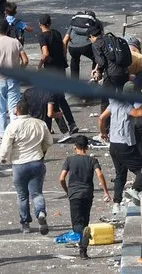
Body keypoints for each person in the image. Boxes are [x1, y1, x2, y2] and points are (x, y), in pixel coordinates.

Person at [0, 100, 53, 235]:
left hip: (19, 164)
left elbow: (5, 147)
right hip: (37, 161)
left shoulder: (12, 126)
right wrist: (41, 150)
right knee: (37, 193)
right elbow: (49, 142)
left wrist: (3, 158)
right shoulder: (40, 123)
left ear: (17, 110)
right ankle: (40, 212)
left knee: (22, 195)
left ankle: (25, 224)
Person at [59, 135, 111, 259]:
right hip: (87, 194)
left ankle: (83, 239)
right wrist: (105, 191)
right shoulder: (92, 161)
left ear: (74, 147)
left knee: (77, 225)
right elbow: (100, 175)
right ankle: (83, 252)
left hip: (74, 194)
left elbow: (61, 178)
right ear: (87, 147)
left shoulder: (69, 160)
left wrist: (67, 190)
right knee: (85, 220)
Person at [98, 84, 142, 214]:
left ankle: (116, 204)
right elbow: (137, 113)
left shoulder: (114, 103)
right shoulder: (127, 106)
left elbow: (101, 118)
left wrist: (103, 133)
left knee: (120, 174)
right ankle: (134, 190)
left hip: (114, 145)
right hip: (125, 145)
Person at [0, 19, 29, 139]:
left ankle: (3, 136)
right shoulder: (15, 42)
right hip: (13, 79)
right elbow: (25, 60)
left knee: (0, 109)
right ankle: (15, 134)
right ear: (8, 29)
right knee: (14, 107)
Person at [37, 14, 77, 134]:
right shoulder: (57, 33)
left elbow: (45, 52)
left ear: (40, 25)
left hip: (51, 70)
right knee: (61, 98)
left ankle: (64, 130)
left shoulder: (42, 37)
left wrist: (40, 64)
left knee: (51, 99)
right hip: (61, 68)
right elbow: (63, 48)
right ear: (50, 23)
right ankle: (72, 123)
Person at [90, 26, 130, 115]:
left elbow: (102, 62)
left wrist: (97, 71)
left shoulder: (96, 44)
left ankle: (106, 125)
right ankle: (124, 118)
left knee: (105, 99)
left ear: (91, 36)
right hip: (124, 72)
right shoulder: (115, 39)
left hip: (111, 75)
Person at [63, 10, 100, 80]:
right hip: (87, 46)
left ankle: (74, 84)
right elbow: (100, 39)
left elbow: (65, 40)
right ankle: (94, 77)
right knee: (96, 59)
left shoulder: (75, 23)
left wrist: (64, 56)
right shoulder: (96, 22)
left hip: (73, 47)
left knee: (74, 60)